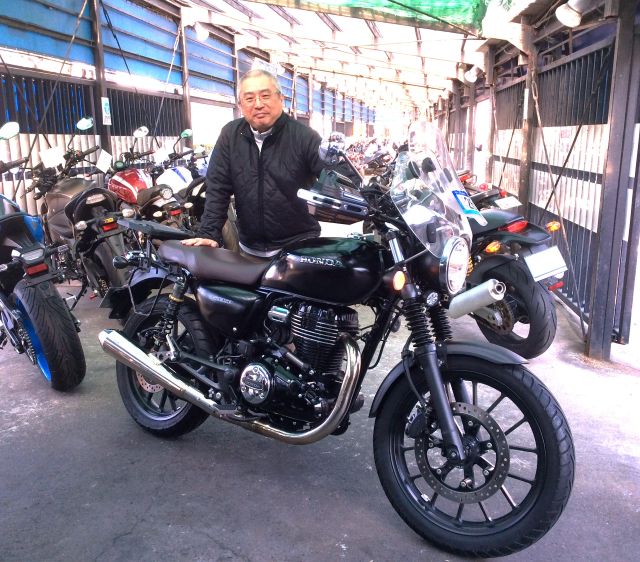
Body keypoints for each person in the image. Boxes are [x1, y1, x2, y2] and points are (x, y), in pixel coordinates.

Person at [181, 69, 331, 261]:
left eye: (265, 96)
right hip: (250, 250)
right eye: (249, 98)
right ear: (240, 105)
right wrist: (209, 233)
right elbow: (218, 187)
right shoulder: (230, 135)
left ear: (281, 98)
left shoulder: (304, 136)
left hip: (299, 249)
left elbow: (334, 177)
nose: (258, 104)